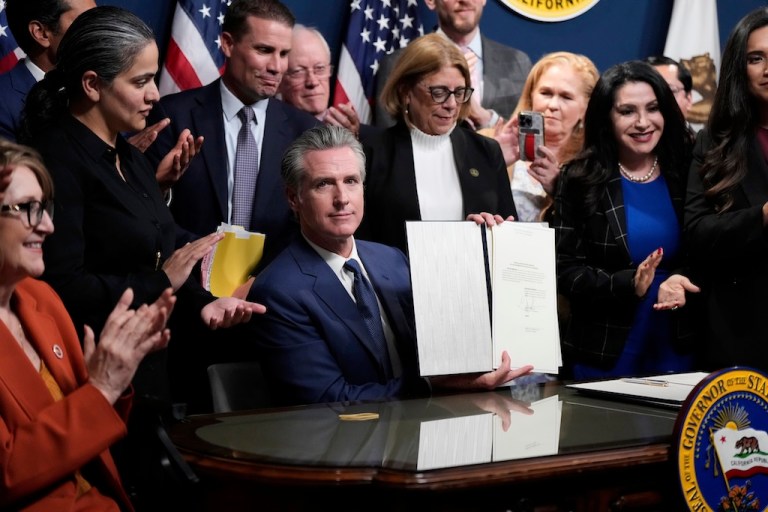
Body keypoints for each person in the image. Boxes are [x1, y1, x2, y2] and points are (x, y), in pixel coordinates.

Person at [247, 124, 532, 406]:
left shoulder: (391, 259)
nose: (342, 198)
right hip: (346, 442)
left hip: (429, 431)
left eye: (351, 181)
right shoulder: (278, 291)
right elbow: (328, 401)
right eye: (324, 184)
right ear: (293, 198)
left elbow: (450, 340)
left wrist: (478, 255)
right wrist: (433, 386)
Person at [0, 139, 174, 511]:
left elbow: (91, 434)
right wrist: (101, 387)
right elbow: (7, 475)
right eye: (27, 209)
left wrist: (117, 376)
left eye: (45, 208)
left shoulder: (41, 298)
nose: (47, 225)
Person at [553, 60, 700, 380]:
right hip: (604, 347)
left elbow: (711, 246)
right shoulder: (579, 178)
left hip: (677, 341)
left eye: (653, 108)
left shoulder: (688, 168)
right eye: (627, 111)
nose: (643, 122)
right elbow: (564, 271)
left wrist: (678, 277)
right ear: (607, 117)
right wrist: (628, 284)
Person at [146, 0, 319, 267]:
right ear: (228, 44)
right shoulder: (173, 116)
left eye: (284, 54)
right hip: (188, 288)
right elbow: (147, 214)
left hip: (273, 293)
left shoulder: (306, 131)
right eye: (264, 50)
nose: (277, 66)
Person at [3, 0, 201, 192]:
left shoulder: (111, 91)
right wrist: (108, 162)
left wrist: (153, 185)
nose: (100, 27)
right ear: (41, 32)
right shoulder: (5, 103)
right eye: (85, 20)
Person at [358, 33, 517, 253]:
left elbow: (510, 231)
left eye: (460, 92)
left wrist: (494, 230)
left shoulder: (486, 151)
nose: (452, 104)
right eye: (439, 92)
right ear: (406, 91)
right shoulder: (371, 153)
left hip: (474, 283)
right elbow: (360, 241)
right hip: (397, 284)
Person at [684, 7, 768, 370]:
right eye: (756, 58)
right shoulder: (715, 143)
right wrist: (761, 217)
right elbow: (697, 232)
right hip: (741, 331)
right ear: (739, 67)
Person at [373, 0, 532, 131]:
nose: (465, 1)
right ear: (430, 1)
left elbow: (527, 140)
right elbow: (388, 142)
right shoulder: (398, 64)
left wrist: (484, 117)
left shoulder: (518, 62)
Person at [486, 52, 598, 222]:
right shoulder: (489, 141)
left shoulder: (593, 165)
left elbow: (593, 231)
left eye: (566, 97)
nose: (552, 105)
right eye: (545, 93)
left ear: (586, 107)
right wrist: (491, 163)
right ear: (531, 95)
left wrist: (559, 189)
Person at [278, 24, 371, 138]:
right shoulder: (266, 132)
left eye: (320, 69)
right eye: (299, 71)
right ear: (280, 78)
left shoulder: (360, 137)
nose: (313, 82)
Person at [645, 55, 696, 139]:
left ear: (689, 99)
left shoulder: (706, 149)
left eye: (670, 91)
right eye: (650, 92)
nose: (659, 100)